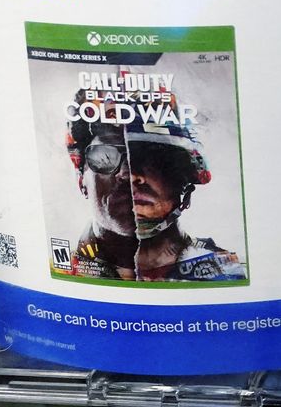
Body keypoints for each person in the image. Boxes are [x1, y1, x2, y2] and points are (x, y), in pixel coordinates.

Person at [124, 102, 246, 282]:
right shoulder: (89, 264)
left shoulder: (222, 270)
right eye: (115, 162)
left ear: (182, 181)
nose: (133, 177)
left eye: (155, 160)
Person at [66, 106, 140, 281]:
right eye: (104, 157)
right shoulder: (62, 271)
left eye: (143, 158)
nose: (127, 174)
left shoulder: (205, 265)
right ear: (81, 181)